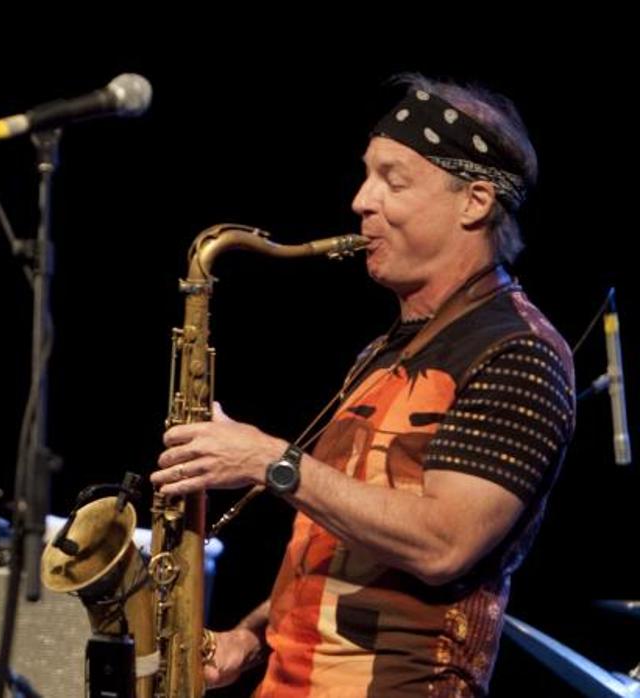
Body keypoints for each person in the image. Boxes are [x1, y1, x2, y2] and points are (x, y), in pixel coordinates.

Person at [153, 75, 575, 696]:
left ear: (475, 201)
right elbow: (340, 546)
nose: (360, 201)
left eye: (392, 180)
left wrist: (269, 459)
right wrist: (249, 637)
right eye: (365, 176)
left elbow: (443, 543)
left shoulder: (521, 352)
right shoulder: (383, 352)